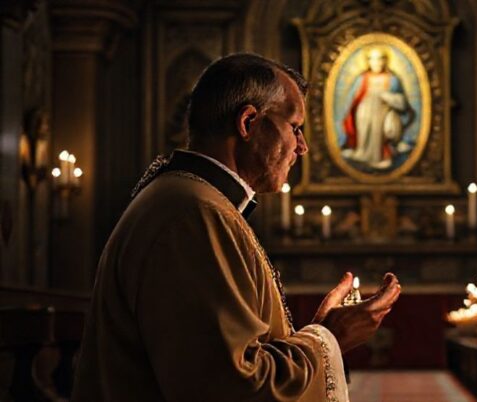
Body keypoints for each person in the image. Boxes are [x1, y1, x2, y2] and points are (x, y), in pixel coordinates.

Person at [72, 53, 401, 401]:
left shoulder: (196, 202)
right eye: (294, 127)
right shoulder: (193, 214)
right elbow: (234, 387)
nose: (302, 147)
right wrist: (330, 336)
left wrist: (322, 331)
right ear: (248, 122)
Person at [341, 47, 411, 170]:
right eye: (373, 59)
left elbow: (402, 103)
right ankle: (363, 153)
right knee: (365, 133)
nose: (376, 62)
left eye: (379, 59)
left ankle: (381, 157)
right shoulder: (362, 78)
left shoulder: (393, 79)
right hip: (363, 112)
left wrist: (388, 97)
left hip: (383, 112)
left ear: (385, 61)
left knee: (379, 134)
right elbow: (353, 98)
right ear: (368, 61)